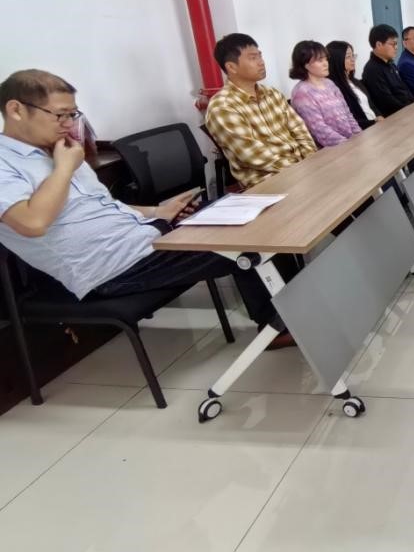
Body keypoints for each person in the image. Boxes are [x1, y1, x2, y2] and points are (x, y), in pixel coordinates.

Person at [0, 70, 294, 348]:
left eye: (73, 114)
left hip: (145, 238)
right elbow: (32, 223)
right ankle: (277, 327)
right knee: (249, 241)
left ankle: (289, 314)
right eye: (60, 114)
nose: (68, 123)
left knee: (251, 212)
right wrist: (64, 169)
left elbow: (103, 207)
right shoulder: (18, 163)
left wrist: (157, 211)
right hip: (115, 267)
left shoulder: (60, 150)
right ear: (16, 110)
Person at [205, 33, 317, 189]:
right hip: (268, 183)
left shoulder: (272, 93)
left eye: (260, 56)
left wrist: (312, 161)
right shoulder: (222, 107)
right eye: (253, 58)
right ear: (231, 67)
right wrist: (302, 170)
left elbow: (299, 129)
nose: (261, 62)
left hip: (302, 169)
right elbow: (254, 156)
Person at [289, 40, 362, 147]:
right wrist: (349, 144)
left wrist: (359, 136)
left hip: (350, 143)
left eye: (326, 59)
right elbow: (320, 130)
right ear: (305, 64)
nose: (326, 63)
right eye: (320, 60)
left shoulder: (329, 83)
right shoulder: (301, 93)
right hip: (330, 150)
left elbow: (348, 114)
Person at [361, 24, 414, 117]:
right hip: (396, 116)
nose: (396, 47)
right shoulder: (372, 70)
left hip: (407, 110)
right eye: (393, 44)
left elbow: (404, 88)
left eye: (396, 44)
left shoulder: (390, 64)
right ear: (379, 45)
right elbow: (387, 102)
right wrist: (410, 110)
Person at [325, 40, 376, 129]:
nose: (353, 60)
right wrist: (373, 122)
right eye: (348, 56)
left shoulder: (355, 81)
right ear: (336, 59)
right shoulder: (335, 88)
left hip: (375, 124)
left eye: (353, 55)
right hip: (363, 130)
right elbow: (349, 120)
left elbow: (371, 105)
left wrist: (378, 117)